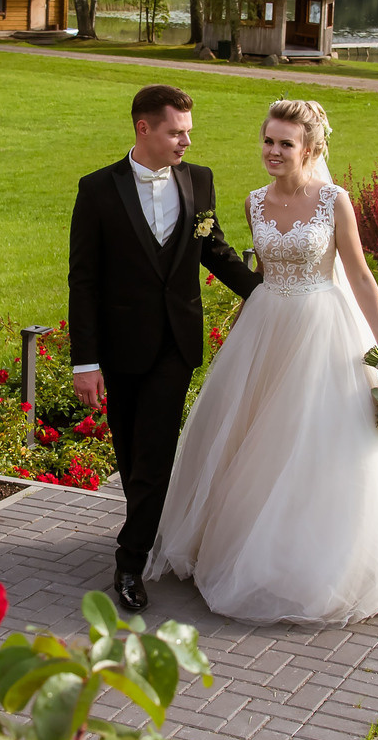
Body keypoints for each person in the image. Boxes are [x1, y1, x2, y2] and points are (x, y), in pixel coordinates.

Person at [146, 99, 378, 624]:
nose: (274, 152)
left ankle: (314, 557)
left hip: (323, 329)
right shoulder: (253, 202)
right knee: (252, 439)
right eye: (269, 141)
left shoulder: (335, 201)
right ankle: (240, 543)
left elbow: (360, 276)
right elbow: (259, 269)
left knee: (313, 441)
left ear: (310, 148)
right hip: (266, 328)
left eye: (286, 143)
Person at [69, 84, 262, 615]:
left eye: (189, 133)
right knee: (131, 453)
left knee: (154, 451)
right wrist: (85, 362)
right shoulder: (98, 191)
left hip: (176, 343)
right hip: (119, 347)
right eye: (176, 132)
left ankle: (129, 562)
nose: (185, 142)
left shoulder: (199, 181)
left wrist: (268, 292)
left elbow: (215, 250)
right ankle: (146, 530)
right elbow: (82, 281)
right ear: (144, 129)